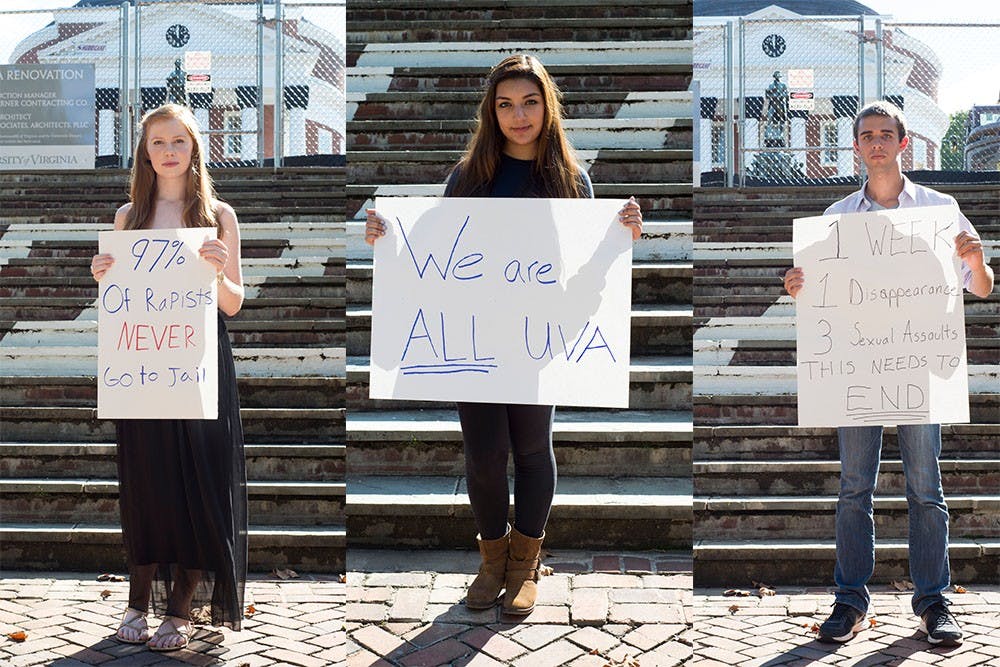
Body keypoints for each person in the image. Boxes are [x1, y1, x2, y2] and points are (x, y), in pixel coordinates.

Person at [365, 54, 643, 615]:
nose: (519, 115)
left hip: (538, 337)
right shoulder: (467, 178)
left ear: (548, 108)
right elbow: (433, 254)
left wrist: (622, 234)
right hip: (474, 336)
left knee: (533, 449)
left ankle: (525, 566)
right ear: (491, 112)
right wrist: (387, 237)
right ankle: (491, 561)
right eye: (506, 104)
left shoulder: (571, 178)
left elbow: (589, 263)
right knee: (484, 454)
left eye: (530, 102)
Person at [784, 100, 993, 646]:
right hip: (856, 368)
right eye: (867, 135)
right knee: (855, 488)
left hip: (919, 369)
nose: (876, 143)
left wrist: (975, 259)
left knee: (927, 489)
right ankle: (849, 601)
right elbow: (818, 301)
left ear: (903, 143)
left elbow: (982, 286)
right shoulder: (835, 218)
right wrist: (798, 288)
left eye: (886, 134)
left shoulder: (941, 209)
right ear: (855, 147)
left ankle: (934, 601)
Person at [90, 103, 248, 651]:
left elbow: (233, 303)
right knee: (147, 483)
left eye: (179, 140)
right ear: (145, 151)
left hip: (199, 366)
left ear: (194, 147)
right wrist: (102, 276)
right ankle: (137, 601)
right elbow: (120, 304)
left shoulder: (218, 215)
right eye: (158, 142)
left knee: (197, 485)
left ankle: (180, 606)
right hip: (142, 369)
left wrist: (214, 269)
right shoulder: (126, 217)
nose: (169, 151)